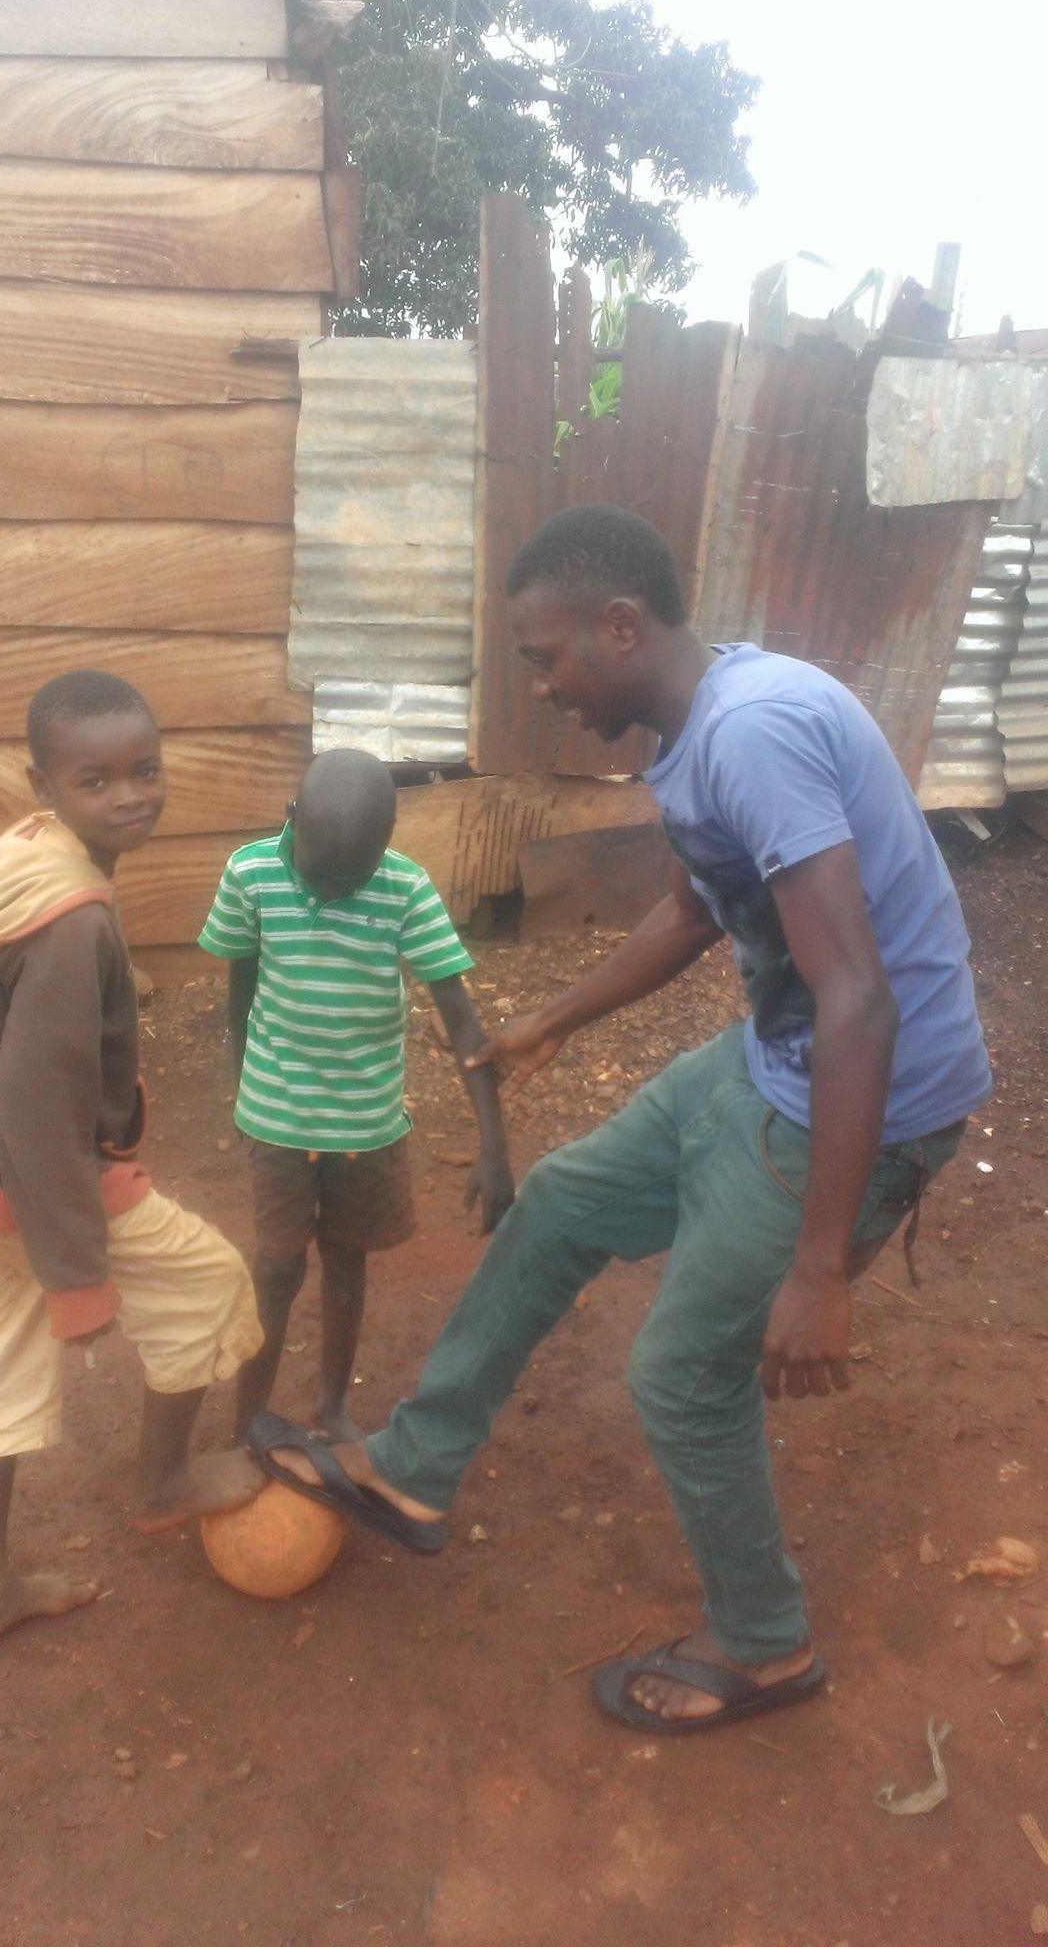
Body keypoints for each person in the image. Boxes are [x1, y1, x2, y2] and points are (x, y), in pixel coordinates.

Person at [253, 503, 992, 1735]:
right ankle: (414, 1468)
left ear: (620, 625)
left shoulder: (752, 733)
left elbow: (861, 1001)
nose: (543, 688)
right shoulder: (698, 728)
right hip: (774, 1061)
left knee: (683, 1374)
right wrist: (554, 1019)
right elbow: (696, 911)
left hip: (866, 1100)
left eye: (546, 658)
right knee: (559, 1202)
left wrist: (820, 1267)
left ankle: (766, 1643)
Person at [0, 671, 265, 1656]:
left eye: (146, 770)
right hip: (25, 1175)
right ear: (43, 785)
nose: (130, 796)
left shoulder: (25, 853)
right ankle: (164, 1481)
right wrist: (75, 1277)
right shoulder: (71, 920)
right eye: (95, 781)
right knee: (206, 1283)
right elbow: (38, 1111)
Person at [198, 748, 514, 1445]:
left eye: (353, 877)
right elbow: (240, 992)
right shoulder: (250, 875)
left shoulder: (406, 891)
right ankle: (249, 1422)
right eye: (319, 873)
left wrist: (494, 1146)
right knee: (276, 1269)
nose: (334, 890)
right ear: (292, 818)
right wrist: (241, 1081)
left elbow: (462, 1020)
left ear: (387, 843)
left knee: (347, 1262)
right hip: (277, 1111)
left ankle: (330, 1408)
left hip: (366, 1123)